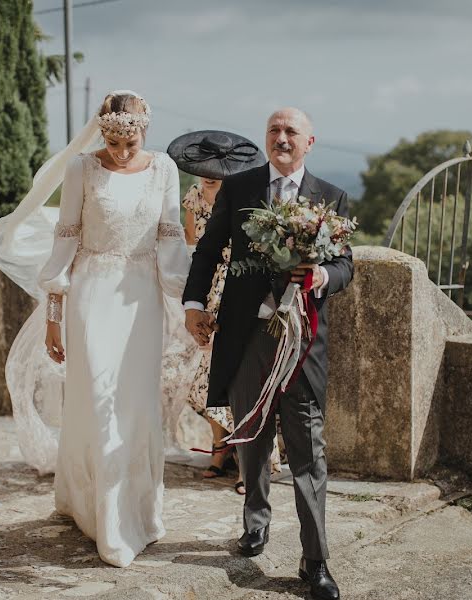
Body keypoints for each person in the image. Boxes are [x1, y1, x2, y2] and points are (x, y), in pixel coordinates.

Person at [0, 90, 190, 568]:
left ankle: (139, 510)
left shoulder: (164, 168)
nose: (121, 152)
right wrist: (54, 318)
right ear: (102, 131)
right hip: (91, 293)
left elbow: (170, 236)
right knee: (98, 400)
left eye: (131, 141)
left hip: (141, 299)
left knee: (137, 405)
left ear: (145, 131)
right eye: (113, 142)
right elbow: (66, 239)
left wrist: (190, 304)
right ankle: (106, 521)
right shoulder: (81, 168)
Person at [182, 108, 353, 600]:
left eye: (290, 132)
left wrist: (323, 276)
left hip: (302, 342)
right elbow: (209, 250)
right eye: (274, 131)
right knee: (251, 435)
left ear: (309, 142)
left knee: (307, 449)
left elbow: (346, 265)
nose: (281, 138)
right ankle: (255, 522)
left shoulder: (331, 198)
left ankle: (315, 560)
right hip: (248, 336)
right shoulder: (239, 188)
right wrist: (193, 304)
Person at [169, 131, 281, 493]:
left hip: (238, 287)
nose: (209, 174)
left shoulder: (248, 195)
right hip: (207, 288)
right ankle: (219, 447)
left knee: (243, 373)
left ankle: (251, 460)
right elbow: (193, 245)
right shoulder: (192, 198)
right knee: (205, 373)